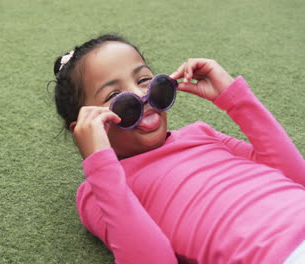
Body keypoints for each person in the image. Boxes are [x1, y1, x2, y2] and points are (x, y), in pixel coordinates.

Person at [52, 34, 305, 264]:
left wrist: (237, 100)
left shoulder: (202, 133)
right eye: (114, 96)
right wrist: (99, 163)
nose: (142, 95)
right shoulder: (97, 192)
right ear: (84, 127)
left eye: (144, 80)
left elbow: (296, 179)